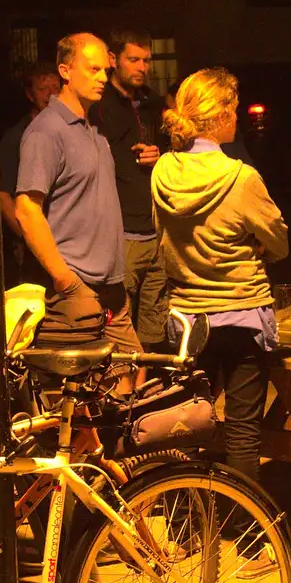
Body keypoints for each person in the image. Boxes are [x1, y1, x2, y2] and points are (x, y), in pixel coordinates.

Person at [152, 67, 289, 480]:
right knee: (243, 433)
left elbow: (163, 240)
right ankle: (245, 531)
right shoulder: (240, 178)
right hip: (243, 314)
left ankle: (192, 526)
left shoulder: (162, 171)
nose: (239, 115)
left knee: (189, 427)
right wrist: (254, 245)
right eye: (234, 107)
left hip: (189, 319)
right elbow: (279, 242)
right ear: (220, 115)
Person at [14, 33, 141, 350]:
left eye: (105, 71)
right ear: (65, 71)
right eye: (93, 69)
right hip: (77, 286)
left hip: (111, 288)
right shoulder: (46, 131)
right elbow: (26, 209)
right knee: (80, 392)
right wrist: (66, 281)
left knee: (133, 375)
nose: (102, 78)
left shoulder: (94, 130)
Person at [95, 31, 170, 348]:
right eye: (133, 59)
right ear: (113, 60)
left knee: (155, 326)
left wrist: (160, 154)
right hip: (121, 233)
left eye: (146, 61)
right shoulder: (99, 105)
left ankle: (150, 388)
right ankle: (119, 392)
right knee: (117, 325)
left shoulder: (152, 102)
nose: (142, 67)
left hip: (154, 229)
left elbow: (170, 149)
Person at [0, 62, 62, 287]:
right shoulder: (16, 137)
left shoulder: (68, 130)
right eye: (44, 89)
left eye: (56, 87)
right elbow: (3, 197)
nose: (52, 94)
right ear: (29, 94)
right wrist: (29, 237)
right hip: (35, 243)